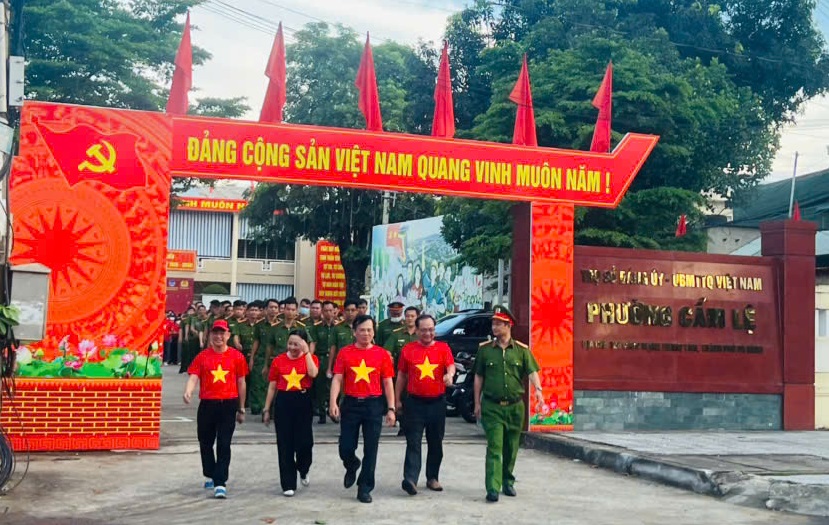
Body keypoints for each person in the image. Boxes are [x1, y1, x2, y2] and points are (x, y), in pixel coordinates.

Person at [473, 305, 544, 503]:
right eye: (493, 324)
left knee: (511, 447)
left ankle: (507, 481)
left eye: (498, 324)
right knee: (495, 446)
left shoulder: (521, 350)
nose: (494, 327)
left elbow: (532, 371)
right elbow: (478, 377)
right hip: (492, 406)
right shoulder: (485, 350)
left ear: (508, 325)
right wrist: (476, 402)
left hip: (515, 406)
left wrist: (538, 391)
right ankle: (492, 487)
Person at [329, 315, 396, 504]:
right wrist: (333, 402)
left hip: (373, 405)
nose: (366, 333)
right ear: (354, 332)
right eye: (362, 330)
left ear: (374, 332)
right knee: (346, 446)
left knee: (371, 448)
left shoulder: (381, 354)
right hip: (351, 404)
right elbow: (337, 379)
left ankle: (365, 487)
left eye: (369, 330)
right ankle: (351, 464)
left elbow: (388, 382)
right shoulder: (345, 353)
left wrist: (391, 408)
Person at [183, 320, 248, 499]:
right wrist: (188, 391)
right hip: (207, 404)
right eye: (215, 333)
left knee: (224, 443)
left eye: (222, 333)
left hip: (228, 404)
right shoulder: (203, 356)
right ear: (211, 335)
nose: (219, 336)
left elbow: (241, 382)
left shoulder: (237, 356)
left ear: (228, 335)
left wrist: (241, 408)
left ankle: (220, 482)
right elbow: (193, 376)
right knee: (205, 442)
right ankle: (210, 473)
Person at [395, 314, 455, 495]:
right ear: (417, 331)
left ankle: (432, 478)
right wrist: (397, 400)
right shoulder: (408, 350)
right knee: (413, 441)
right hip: (414, 403)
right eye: (423, 330)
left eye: (431, 330)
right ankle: (410, 479)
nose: (428, 333)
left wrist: (449, 375)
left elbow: (451, 366)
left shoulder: (443, 348)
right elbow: (401, 376)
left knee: (435, 442)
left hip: (437, 403)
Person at [263, 329, 319, 497]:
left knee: (305, 443)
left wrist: (306, 353)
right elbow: (272, 386)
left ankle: (303, 468)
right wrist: (267, 409)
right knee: (284, 443)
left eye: (297, 344)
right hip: (284, 402)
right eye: (290, 343)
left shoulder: (311, 358)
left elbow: (313, 373)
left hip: (303, 400)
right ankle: (288, 483)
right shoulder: (278, 360)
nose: (293, 347)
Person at [309, 300, 339, 424]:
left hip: (336, 360)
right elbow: (313, 344)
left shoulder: (338, 327)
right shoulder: (316, 328)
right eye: (325, 310)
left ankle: (334, 412)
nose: (328, 313)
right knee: (320, 387)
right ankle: (322, 414)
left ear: (335, 311)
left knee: (335, 386)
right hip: (321, 359)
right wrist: (310, 359)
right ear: (322, 311)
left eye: (330, 310)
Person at [329, 299, 358, 372]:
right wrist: (329, 368)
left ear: (357, 311)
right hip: (341, 364)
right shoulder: (337, 328)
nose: (350, 312)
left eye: (353, 310)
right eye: (348, 310)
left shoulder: (361, 327)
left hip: (359, 364)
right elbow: (333, 348)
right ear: (344, 311)